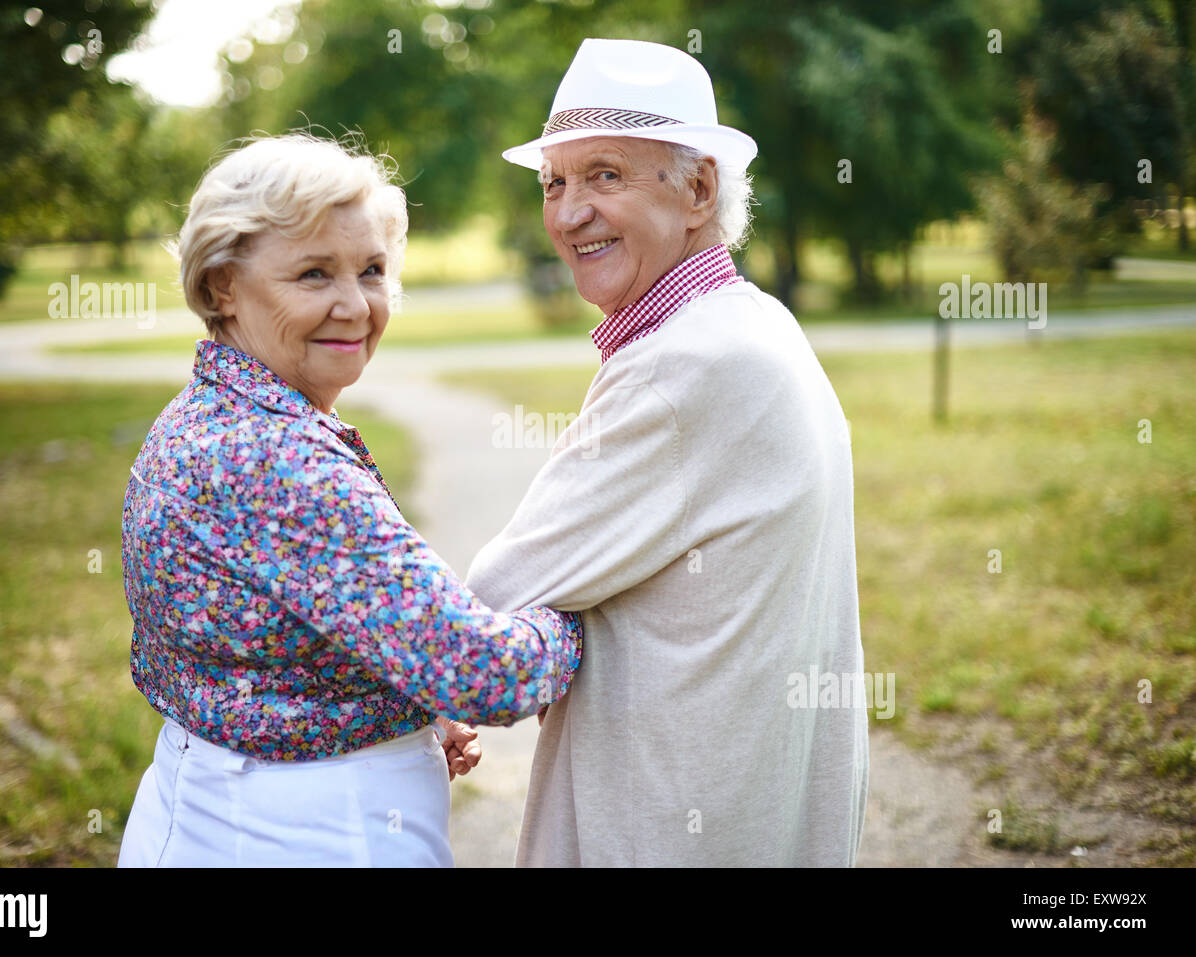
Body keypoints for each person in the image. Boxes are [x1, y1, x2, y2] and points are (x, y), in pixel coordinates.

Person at [117, 132, 581, 867]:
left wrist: (408, 704)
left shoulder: (206, 414)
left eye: (371, 270)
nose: (355, 305)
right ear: (220, 288)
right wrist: (588, 616)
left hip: (204, 807)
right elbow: (486, 672)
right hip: (313, 833)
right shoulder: (276, 458)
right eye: (312, 273)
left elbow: (274, 641)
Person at [465, 38, 869, 866]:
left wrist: (427, 698)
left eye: (605, 175)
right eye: (554, 182)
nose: (568, 211)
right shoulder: (757, 323)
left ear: (698, 189)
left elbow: (496, 599)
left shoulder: (683, 367)